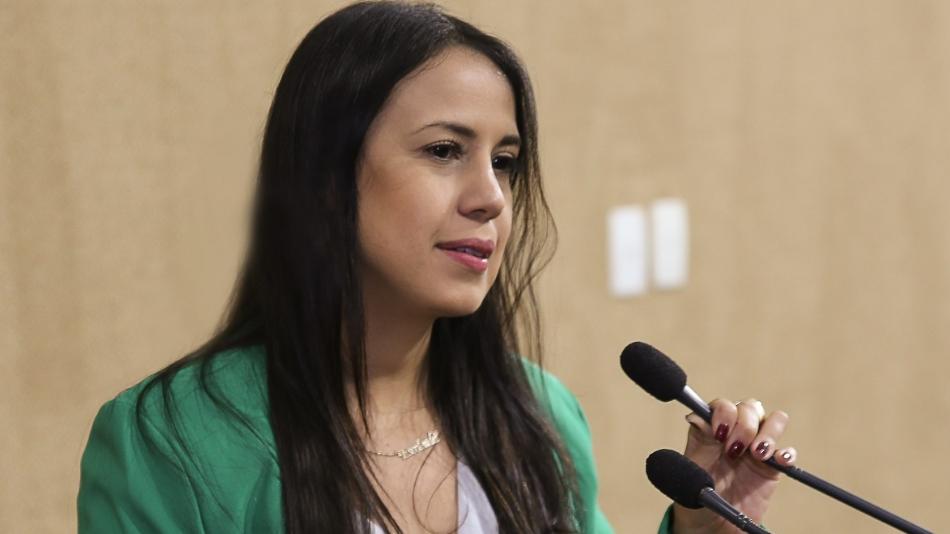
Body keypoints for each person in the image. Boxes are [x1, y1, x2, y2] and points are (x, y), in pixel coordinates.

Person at [77, 2, 796, 533]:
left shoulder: (539, 412)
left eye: (505, 162)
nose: (491, 198)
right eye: (445, 151)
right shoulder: (166, 440)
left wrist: (705, 527)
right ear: (326, 178)